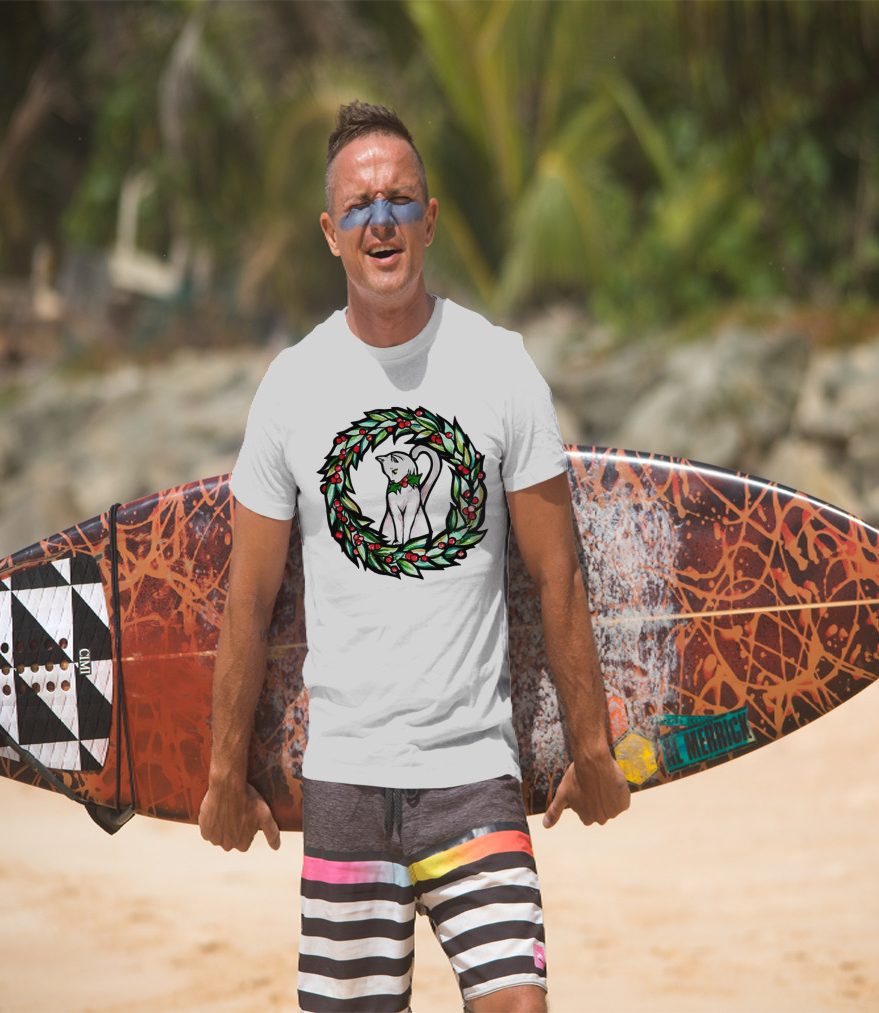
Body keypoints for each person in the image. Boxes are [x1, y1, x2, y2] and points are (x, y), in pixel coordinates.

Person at [199, 100, 630, 1013]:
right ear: (330, 232)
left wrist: (591, 746)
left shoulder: (501, 367)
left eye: (400, 200)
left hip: (474, 773)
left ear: (430, 219)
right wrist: (221, 773)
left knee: (519, 1003)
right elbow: (248, 600)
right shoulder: (292, 387)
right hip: (347, 779)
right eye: (359, 206)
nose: (381, 220)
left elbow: (558, 575)